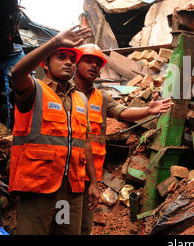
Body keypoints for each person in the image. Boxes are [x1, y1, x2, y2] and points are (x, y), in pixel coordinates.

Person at [73, 43, 174, 235]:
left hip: (89, 174)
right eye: (88, 61)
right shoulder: (64, 94)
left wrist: (148, 110)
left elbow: (122, 112)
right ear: (76, 64)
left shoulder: (101, 98)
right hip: (65, 173)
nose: (94, 66)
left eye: (97, 63)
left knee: (83, 227)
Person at [9, 26, 100, 235]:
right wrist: (54, 43)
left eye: (72, 59)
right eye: (61, 56)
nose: (69, 62)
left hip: (71, 191)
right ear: (45, 63)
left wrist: (93, 183)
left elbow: (83, 142)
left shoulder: (80, 99)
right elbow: (17, 72)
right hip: (38, 189)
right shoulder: (34, 89)